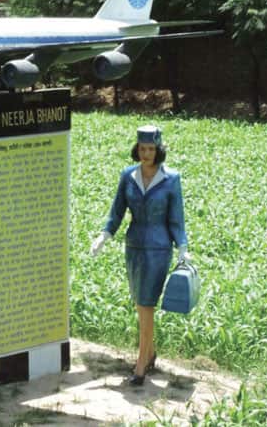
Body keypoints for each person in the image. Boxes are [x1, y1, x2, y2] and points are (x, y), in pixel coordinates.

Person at [89, 125, 191, 385]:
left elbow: (177, 219)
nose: (146, 154)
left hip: (158, 249)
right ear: (137, 149)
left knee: (146, 305)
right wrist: (104, 236)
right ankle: (150, 352)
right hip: (134, 247)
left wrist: (183, 248)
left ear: (159, 150)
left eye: (151, 149)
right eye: (143, 149)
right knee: (140, 304)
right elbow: (117, 212)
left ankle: (141, 365)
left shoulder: (171, 179)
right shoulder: (128, 176)